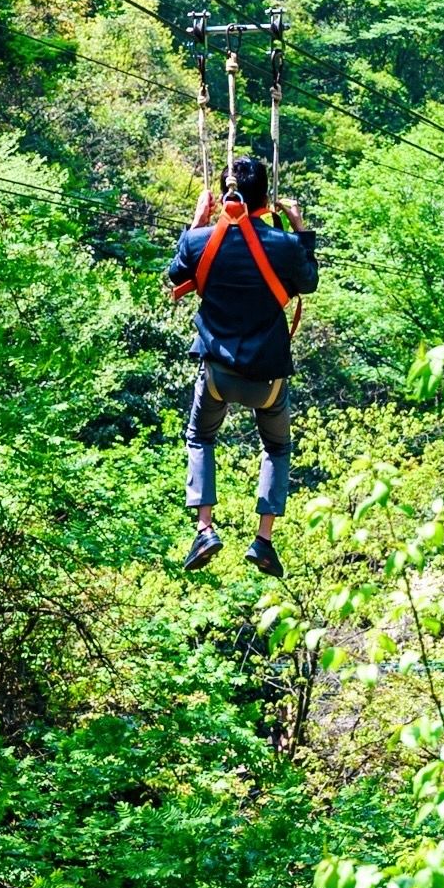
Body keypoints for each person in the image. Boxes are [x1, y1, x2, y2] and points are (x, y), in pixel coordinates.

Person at [164, 154, 318, 576]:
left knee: (200, 437)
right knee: (278, 447)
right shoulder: (283, 246)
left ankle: (205, 528)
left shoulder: (199, 243)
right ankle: (264, 540)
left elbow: (176, 274)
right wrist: (300, 226)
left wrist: (198, 221)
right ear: (263, 198)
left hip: (217, 374)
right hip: (267, 378)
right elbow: (308, 282)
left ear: (225, 196)